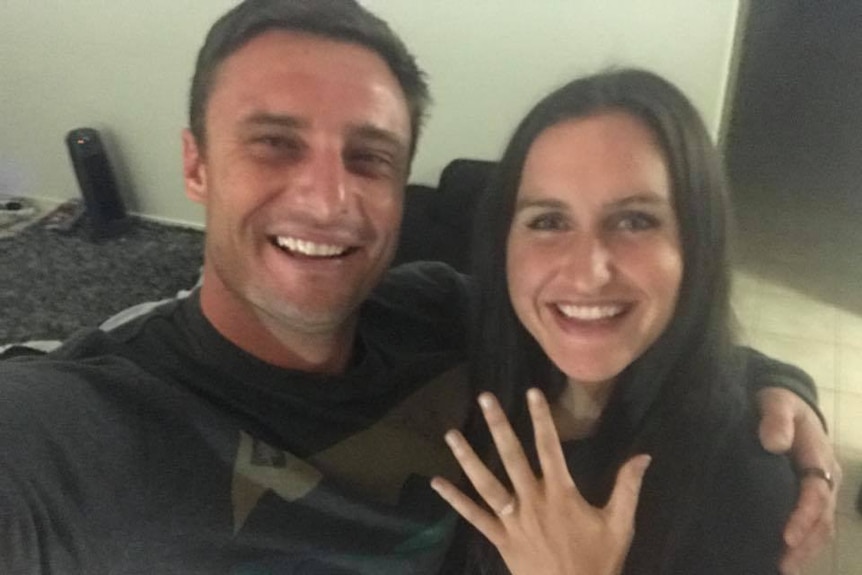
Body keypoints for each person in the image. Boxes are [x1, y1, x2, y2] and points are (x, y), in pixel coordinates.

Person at [0, 1, 837, 573]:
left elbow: (623, 331)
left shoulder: (444, 316)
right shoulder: (70, 431)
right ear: (195, 165)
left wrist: (777, 387)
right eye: (275, 144)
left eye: (368, 157)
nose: (328, 198)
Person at [429, 69, 836, 574]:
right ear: (503, 241)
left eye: (635, 221)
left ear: (695, 243)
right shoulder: (441, 352)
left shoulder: (743, 480)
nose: (588, 272)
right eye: (549, 222)